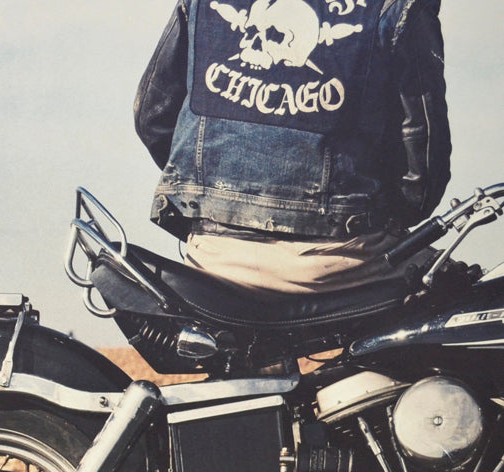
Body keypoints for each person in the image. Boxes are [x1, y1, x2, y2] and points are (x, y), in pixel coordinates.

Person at [134, 0, 450, 293]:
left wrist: (211, 195)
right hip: (343, 259)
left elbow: (153, 120)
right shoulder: (399, 6)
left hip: (214, 254)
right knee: (456, 291)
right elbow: (423, 164)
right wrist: (385, 214)